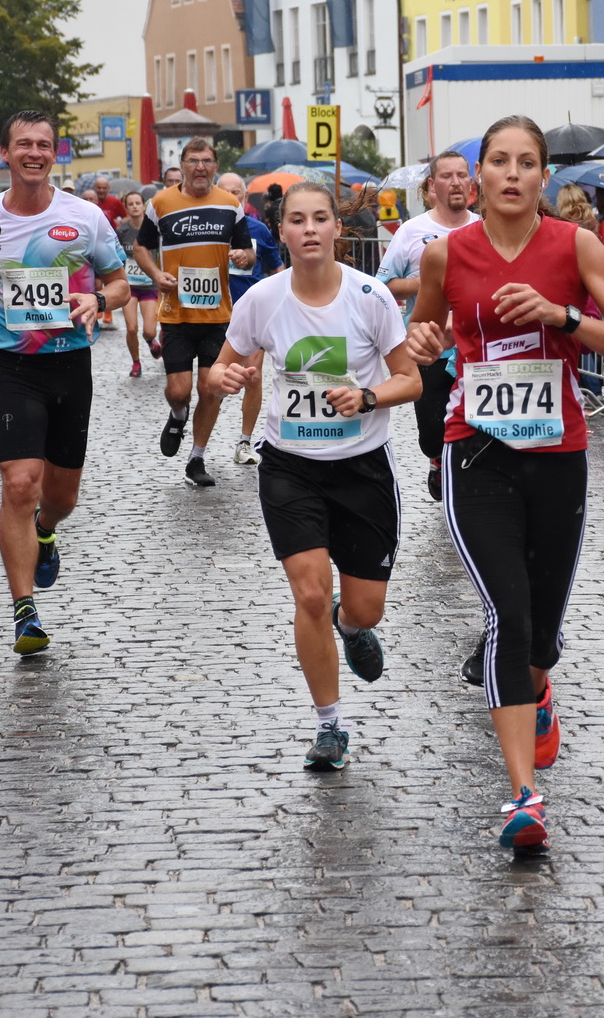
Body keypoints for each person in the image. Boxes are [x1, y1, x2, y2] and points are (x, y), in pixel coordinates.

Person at [405, 115, 604, 854]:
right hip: (475, 449)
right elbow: (421, 338)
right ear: (476, 176)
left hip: (558, 454)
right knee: (506, 614)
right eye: (499, 162)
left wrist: (563, 315)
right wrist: (424, 341)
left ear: (546, 177)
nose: (512, 174)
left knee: (539, 631)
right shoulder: (448, 254)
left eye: (527, 163)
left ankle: (538, 684)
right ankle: (522, 796)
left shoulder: (574, 246)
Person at [206, 181, 421, 769]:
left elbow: (411, 379)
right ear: (281, 232)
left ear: (335, 230)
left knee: (366, 607)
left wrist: (370, 395)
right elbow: (219, 369)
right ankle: (330, 726)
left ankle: (351, 628)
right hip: (290, 467)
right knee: (307, 593)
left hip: (362, 468)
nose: (307, 229)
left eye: (318, 219)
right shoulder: (262, 299)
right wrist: (223, 381)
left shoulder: (371, 296)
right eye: (296, 220)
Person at [0, 110, 130, 655]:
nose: (34, 153)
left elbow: (119, 281)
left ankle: (47, 529)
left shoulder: (86, 217)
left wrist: (98, 298)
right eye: (23, 144)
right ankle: (24, 612)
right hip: (11, 367)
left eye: (43, 144)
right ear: (5, 153)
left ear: (55, 153)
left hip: (70, 365)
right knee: (19, 482)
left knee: (61, 495)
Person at [133, 139, 255, 488]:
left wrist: (243, 257)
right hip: (176, 315)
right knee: (179, 388)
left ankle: (196, 457)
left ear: (215, 166)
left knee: (211, 388)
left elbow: (246, 250)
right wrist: (156, 276)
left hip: (218, 316)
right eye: (193, 161)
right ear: (182, 165)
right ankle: (177, 415)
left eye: (206, 161)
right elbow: (141, 246)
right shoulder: (161, 202)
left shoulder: (230, 204)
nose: (200, 167)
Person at [375, 150, 480, 501]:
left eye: (462, 175)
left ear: (471, 182)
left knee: (473, 427)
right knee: (432, 433)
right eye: (447, 176)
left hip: (475, 348)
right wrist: (430, 283)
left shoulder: (483, 228)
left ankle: (463, 485)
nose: (456, 182)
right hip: (428, 344)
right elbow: (384, 285)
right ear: (433, 186)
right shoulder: (411, 231)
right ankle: (437, 459)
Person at [216, 172, 285, 463]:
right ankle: (200, 439)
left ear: (246, 197)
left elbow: (278, 270)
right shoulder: (209, 231)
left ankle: (244, 442)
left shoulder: (258, 230)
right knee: (214, 383)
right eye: (226, 193)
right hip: (214, 315)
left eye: (238, 194)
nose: (233, 199)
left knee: (252, 377)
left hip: (252, 318)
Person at [116, 190, 161, 372]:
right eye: (131, 204)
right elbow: (116, 257)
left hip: (150, 285)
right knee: (131, 327)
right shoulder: (122, 231)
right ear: (126, 208)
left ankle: (151, 341)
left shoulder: (153, 230)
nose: (135, 206)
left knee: (149, 330)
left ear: (143, 206)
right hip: (130, 287)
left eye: (137, 203)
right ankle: (136, 362)